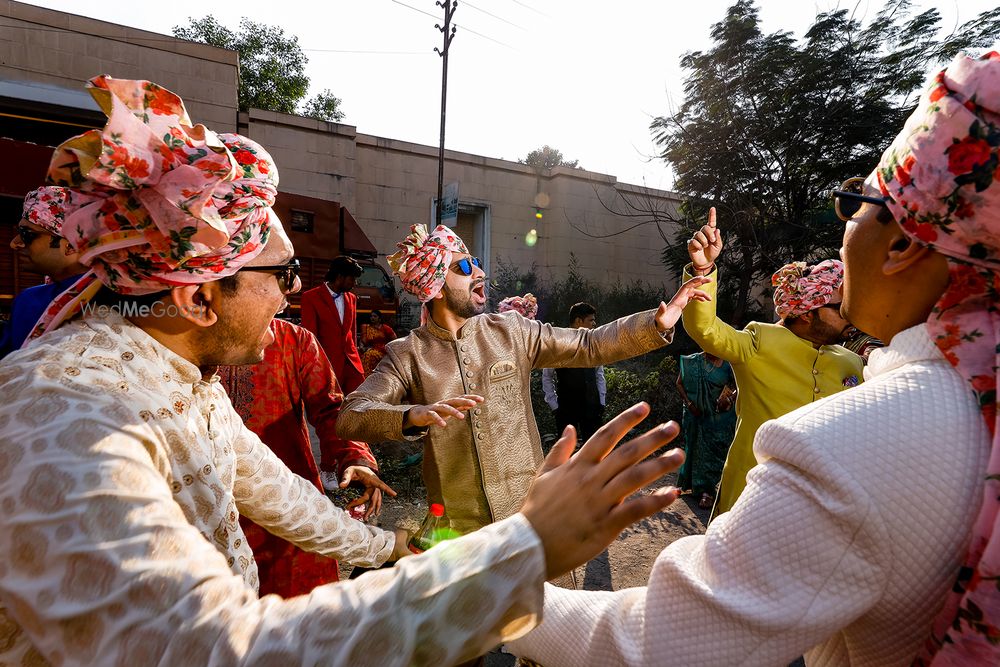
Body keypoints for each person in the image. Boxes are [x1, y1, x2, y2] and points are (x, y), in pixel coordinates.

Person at [0, 75, 691, 667]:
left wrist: (390, 542)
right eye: (282, 273)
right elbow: (217, 647)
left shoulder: (181, 384)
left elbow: (285, 495)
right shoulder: (72, 419)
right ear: (198, 295)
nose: (292, 293)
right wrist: (521, 545)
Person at [507, 50, 1000, 666]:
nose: (844, 239)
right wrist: (704, 274)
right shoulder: (773, 346)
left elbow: (660, 646)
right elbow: (707, 332)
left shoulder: (853, 439)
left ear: (903, 242)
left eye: (856, 203)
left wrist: (488, 584)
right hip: (758, 500)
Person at [338, 224, 711, 539]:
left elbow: (589, 344)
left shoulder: (512, 331)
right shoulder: (407, 354)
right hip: (458, 534)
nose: (480, 273)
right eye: (465, 266)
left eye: (477, 262)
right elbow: (352, 415)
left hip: (530, 520)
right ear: (434, 285)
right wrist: (410, 415)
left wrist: (659, 322)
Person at [682, 228, 863, 517]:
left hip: (819, 507)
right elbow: (705, 329)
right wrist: (703, 269)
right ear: (807, 312)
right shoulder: (759, 342)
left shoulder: (852, 363)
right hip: (749, 497)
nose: (851, 317)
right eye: (841, 309)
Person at [216, 317, 396, 597]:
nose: (290, 289)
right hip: (207, 506)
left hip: (289, 501)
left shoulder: (293, 340)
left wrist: (356, 457)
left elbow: (329, 408)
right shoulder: (184, 341)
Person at [299, 255, 367, 489]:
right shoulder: (311, 298)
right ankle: (327, 468)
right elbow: (311, 337)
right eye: (352, 279)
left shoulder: (351, 298)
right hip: (326, 368)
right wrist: (316, 370)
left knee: (353, 418)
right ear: (339, 277)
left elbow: (350, 335)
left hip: (350, 368)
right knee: (329, 421)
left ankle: (353, 463)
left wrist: (357, 363)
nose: (354, 284)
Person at [0, 188, 87, 357]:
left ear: (70, 244)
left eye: (27, 234)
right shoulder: (27, 299)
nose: (14, 243)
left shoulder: (109, 300)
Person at [674, 350, 737, 509]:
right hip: (695, 414)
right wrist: (689, 404)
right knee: (695, 448)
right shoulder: (693, 361)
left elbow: (739, 386)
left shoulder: (728, 364)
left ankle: (708, 486)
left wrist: (729, 398)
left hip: (719, 417)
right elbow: (679, 383)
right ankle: (704, 491)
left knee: (715, 453)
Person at [541, 302, 607, 442]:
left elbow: (599, 374)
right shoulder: (558, 343)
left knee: (594, 450)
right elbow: (547, 377)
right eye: (591, 320)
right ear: (578, 321)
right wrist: (554, 405)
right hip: (566, 408)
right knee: (565, 450)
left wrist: (601, 402)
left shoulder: (593, 343)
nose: (594, 323)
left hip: (592, 406)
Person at [359, 309, 397, 376]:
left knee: (369, 355)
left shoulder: (385, 328)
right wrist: (361, 347)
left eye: (375, 316)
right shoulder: (367, 328)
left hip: (382, 350)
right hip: (371, 348)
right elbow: (362, 341)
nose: (372, 318)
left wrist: (389, 350)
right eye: (371, 316)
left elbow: (395, 340)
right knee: (359, 353)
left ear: (379, 318)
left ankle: (368, 376)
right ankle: (362, 376)